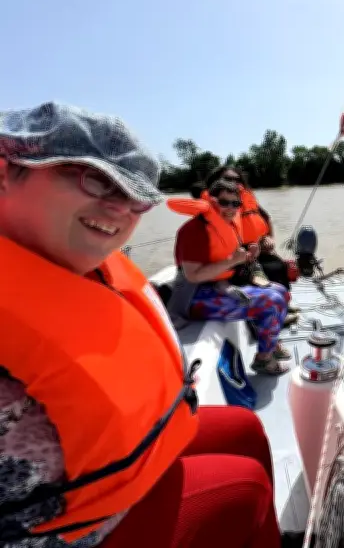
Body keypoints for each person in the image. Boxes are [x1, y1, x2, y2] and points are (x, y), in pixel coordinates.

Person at [0, 102, 286, 547]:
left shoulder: (75, 262)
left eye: (136, 199)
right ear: (5, 171)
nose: (120, 209)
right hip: (72, 528)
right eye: (95, 179)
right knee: (245, 486)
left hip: (133, 454)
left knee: (245, 428)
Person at [175, 179, 291, 375]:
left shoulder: (226, 226)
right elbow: (193, 276)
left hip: (218, 286)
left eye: (235, 204)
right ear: (211, 202)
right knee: (272, 302)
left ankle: (270, 343)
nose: (230, 209)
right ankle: (264, 360)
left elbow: (224, 266)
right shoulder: (193, 231)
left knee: (281, 292)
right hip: (193, 298)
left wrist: (248, 257)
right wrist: (232, 261)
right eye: (224, 202)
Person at [204, 166, 296, 302]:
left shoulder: (246, 199)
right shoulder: (212, 206)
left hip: (255, 250)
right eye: (228, 179)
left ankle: (282, 302)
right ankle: (263, 302)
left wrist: (268, 238)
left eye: (237, 180)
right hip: (231, 256)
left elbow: (266, 218)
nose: (234, 183)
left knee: (277, 264)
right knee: (262, 270)